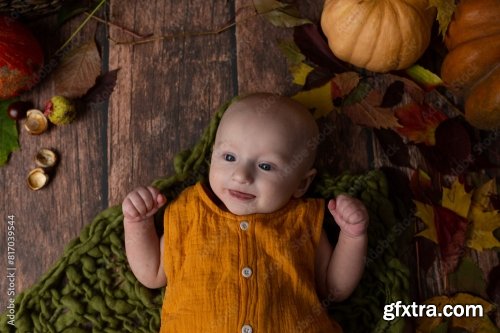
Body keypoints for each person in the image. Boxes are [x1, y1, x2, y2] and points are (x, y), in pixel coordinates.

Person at [122, 93, 369, 333]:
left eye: (265, 166)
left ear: (301, 184)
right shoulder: (189, 213)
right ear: (212, 158)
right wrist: (138, 223)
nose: (241, 176)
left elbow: (334, 288)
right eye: (229, 157)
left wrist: (352, 237)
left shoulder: (302, 222)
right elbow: (152, 273)